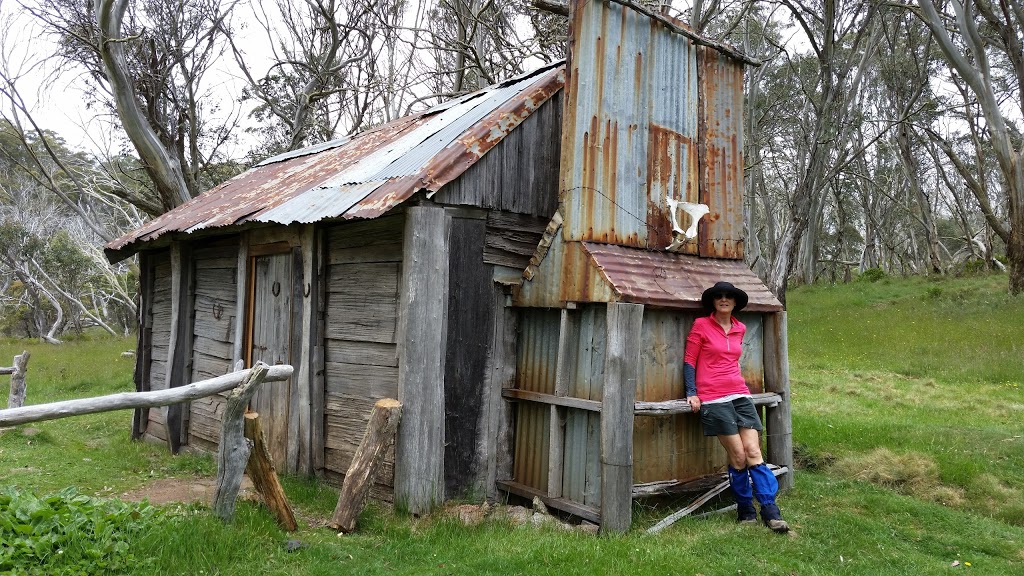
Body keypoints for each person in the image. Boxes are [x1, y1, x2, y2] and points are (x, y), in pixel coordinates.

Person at [683, 281, 789, 533]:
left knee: (753, 451)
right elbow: (689, 361)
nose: (723, 299)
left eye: (728, 296)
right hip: (713, 396)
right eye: (718, 296)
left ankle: (770, 511)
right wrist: (692, 393)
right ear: (713, 301)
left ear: (734, 302)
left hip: (740, 394)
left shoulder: (740, 328)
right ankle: (745, 509)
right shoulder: (701, 325)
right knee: (739, 456)